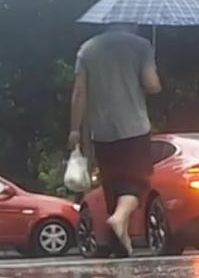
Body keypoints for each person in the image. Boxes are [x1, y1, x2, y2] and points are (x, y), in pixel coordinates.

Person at [68, 23, 162, 256]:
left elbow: (80, 92)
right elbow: (152, 86)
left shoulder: (87, 49)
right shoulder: (141, 46)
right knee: (137, 183)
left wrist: (75, 130)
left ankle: (122, 244)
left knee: (114, 186)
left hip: (101, 131)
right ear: (132, 23)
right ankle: (119, 219)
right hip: (134, 127)